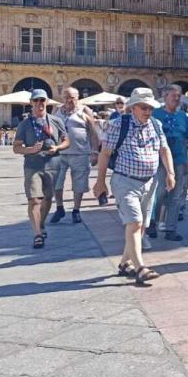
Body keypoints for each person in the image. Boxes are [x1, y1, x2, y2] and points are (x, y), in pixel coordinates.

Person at [93, 88, 173, 286]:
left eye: (150, 108)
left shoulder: (156, 124)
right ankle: (140, 269)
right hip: (125, 181)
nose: (148, 111)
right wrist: (100, 181)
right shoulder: (118, 125)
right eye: (144, 108)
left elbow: (164, 149)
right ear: (133, 108)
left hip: (149, 182)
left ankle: (124, 264)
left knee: (141, 226)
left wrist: (170, 173)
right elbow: (105, 153)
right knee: (135, 222)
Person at [13, 89, 69, 249]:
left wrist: (57, 147)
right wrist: (30, 150)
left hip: (53, 164)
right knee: (34, 199)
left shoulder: (56, 121)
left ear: (47, 102)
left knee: (47, 198)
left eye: (42, 100)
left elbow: (67, 141)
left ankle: (41, 223)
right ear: (31, 103)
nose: (39, 104)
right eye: (36, 101)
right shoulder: (25, 124)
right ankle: (37, 233)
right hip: (32, 165)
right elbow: (16, 148)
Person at [149, 85, 188, 242]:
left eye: (179, 95)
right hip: (160, 161)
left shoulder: (184, 116)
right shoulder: (155, 115)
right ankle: (152, 223)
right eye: (174, 95)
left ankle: (171, 229)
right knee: (160, 193)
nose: (177, 98)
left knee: (176, 196)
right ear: (165, 96)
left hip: (180, 159)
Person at [51, 87, 100, 224]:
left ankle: (76, 210)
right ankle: (59, 207)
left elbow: (93, 133)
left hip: (80, 153)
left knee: (79, 183)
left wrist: (95, 152)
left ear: (77, 97)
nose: (68, 100)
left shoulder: (85, 110)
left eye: (71, 97)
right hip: (59, 152)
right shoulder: (56, 110)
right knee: (56, 181)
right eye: (66, 97)